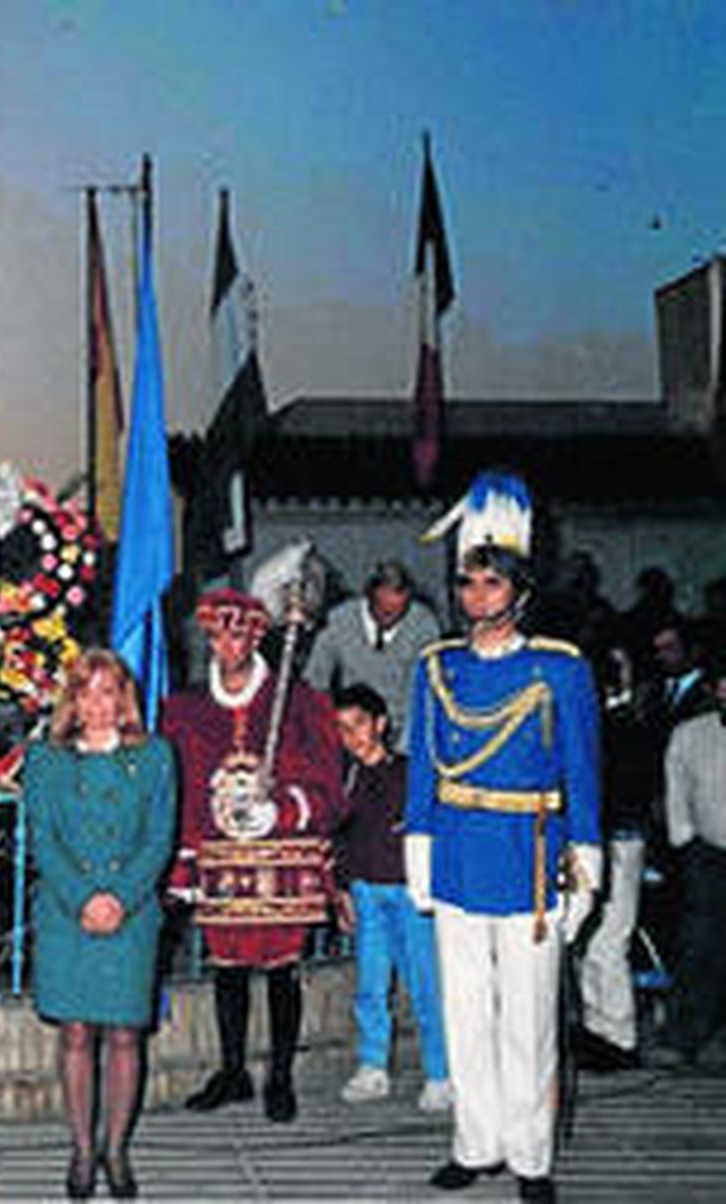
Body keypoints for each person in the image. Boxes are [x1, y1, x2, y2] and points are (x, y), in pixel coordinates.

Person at [405, 471, 602, 1204]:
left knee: (528, 1018)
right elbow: (424, 763)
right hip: (456, 852)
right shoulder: (437, 668)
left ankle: (531, 1157)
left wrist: (585, 866)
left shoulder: (558, 668)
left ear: (519, 591)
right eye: (467, 583)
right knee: (465, 1012)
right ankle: (475, 1143)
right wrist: (418, 847)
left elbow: (582, 770)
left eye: (490, 584)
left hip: (531, 859)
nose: (475, 597)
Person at [162, 579, 346, 1125]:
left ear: (258, 641)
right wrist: (185, 860)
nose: (228, 649)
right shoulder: (185, 710)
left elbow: (330, 788)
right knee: (228, 967)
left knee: (282, 966)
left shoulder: (300, 704)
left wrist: (285, 807)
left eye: (239, 638)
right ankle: (232, 1070)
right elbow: (185, 788)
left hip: (281, 854)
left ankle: (281, 1076)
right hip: (219, 856)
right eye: (218, 638)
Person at [24, 649, 175, 1200]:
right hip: (68, 914)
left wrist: (121, 898)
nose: (97, 704)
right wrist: (85, 898)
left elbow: (160, 838)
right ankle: (82, 1150)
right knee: (76, 1032)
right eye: (85, 692)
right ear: (71, 700)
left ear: (124, 697)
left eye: (107, 691)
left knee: (125, 1033)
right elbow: (43, 838)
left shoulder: (157, 756)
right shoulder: (46, 759)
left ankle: (116, 1149)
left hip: (131, 914)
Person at [331, 683, 450, 1112]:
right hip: (366, 892)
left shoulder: (410, 772)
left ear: (380, 724)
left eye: (359, 725)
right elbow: (339, 837)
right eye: (342, 728)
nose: (351, 736)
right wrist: (342, 889)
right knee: (370, 984)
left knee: (425, 984)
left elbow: (431, 829)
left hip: (409, 891)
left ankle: (439, 1073)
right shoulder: (344, 777)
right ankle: (373, 1066)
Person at [574, 644, 659, 1072]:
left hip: (620, 841)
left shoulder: (623, 728)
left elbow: (629, 792)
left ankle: (619, 1034)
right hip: (599, 840)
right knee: (590, 943)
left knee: (609, 941)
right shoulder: (596, 728)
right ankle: (597, 1028)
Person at [653, 663, 726, 1067]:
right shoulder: (691, 733)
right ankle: (683, 1036)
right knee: (699, 945)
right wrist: (684, 837)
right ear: (717, 688)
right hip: (708, 853)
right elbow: (675, 785)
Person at [304, 559, 440, 752]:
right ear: (368, 599)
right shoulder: (339, 620)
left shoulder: (424, 625)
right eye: (385, 613)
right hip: (351, 728)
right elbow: (314, 682)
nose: (392, 620)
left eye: (400, 613)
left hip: (401, 731)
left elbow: (421, 695)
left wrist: (402, 753)